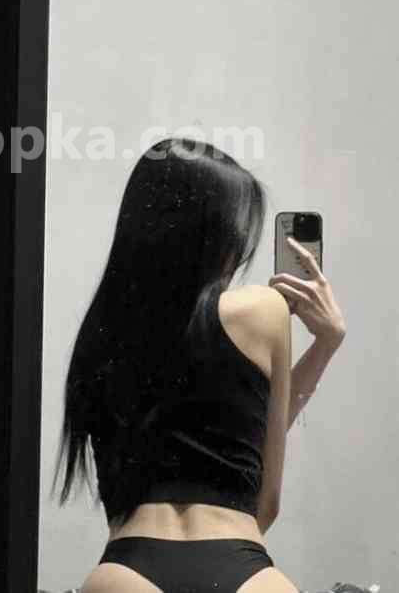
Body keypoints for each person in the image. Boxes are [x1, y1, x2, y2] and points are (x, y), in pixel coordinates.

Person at [52, 137, 346, 593]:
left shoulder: (101, 331)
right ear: (216, 235)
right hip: (239, 561)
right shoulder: (263, 309)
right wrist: (325, 343)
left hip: (124, 573)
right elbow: (265, 498)